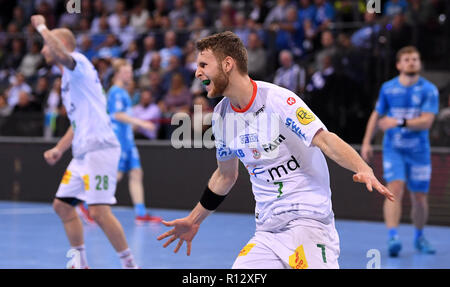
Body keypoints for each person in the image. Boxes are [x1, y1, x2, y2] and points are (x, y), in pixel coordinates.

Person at [157, 31, 394, 268]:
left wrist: (362, 167)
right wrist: (193, 220)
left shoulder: (278, 100)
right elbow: (225, 175)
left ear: (227, 64)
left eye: (203, 64)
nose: (197, 72)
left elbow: (324, 140)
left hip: (307, 221)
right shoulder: (221, 116)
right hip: (268, 231)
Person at [32, 15, 139, 269]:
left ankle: (130, 265)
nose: (43, 48)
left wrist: (41, 26)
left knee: (99, 211)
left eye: (47, 44)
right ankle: (79, 262)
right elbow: (76, 123)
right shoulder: (69, 82)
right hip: (82, 153)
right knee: (62, 206)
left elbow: (59, 52)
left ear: (58, 43)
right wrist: (60, 148)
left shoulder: (78, 63)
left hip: (100, 149)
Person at [361, 46, 439, 257]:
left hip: (419, 151)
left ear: (420, 63)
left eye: (415, 59)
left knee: (420, 198)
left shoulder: (429, 89)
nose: (411, 62)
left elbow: (426, 122)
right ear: (399, 65)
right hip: (394, 149)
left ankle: (419, 236)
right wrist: (367, 142)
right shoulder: (388, 88)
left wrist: (399, 121)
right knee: (394, 189)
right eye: (407, 59)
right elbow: (376, 115)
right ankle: (393, 236)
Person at [107, 59, 162, 224]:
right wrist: (142, 123)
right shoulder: (116, 91)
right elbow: (117, 115)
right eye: (126, 72)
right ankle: (88, 206)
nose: (130, 75)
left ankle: (141, 213)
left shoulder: (124, 92)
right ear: (117, 74)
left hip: (128, 140)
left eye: (131, 72)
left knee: (136, 173)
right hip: (119, 140)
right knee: (115, 175)